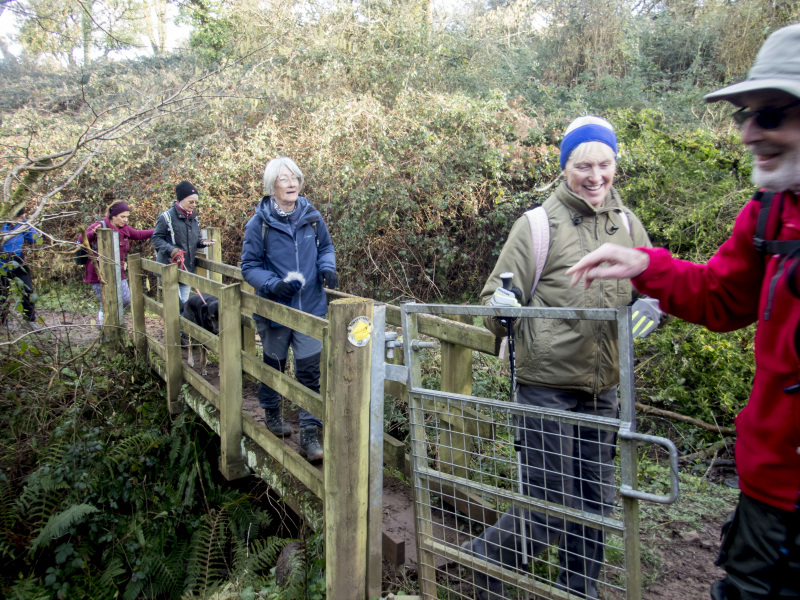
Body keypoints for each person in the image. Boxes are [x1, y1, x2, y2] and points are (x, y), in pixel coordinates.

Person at [567, 23, 800, 600]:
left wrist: (645, 287)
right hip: (770, 491)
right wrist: (644, 266)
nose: (749, 132)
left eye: (770, 114)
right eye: (743, 114)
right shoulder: (771, 213)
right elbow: (721, 296)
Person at [463, 116, 662, 599]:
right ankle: (486, 567)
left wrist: (654, 306)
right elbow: (491, 301)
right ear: (564, 167)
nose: (595, 176)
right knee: (551, 500)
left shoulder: (629, 225)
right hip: (545, 385)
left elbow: (656, 288)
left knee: (595, 501)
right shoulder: (536, 225)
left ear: (615, 164)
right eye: (583, 165)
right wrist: (500, 309)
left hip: (602, 389)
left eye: (604, 163)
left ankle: (579, 591)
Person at [241, 157, 337, 464]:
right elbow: (249, 265)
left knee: (309, 372)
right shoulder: (259, 224)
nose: (292, 183)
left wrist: (327, 268)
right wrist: (271, 284)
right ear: (272, 186)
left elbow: (326, 248)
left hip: (310, 307)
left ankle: (310, 433)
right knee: (274, 366)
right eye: (284, 179)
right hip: (275, 310)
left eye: (295, 177)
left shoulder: (311, 216)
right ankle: (271, 412)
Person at [83, 201, 154, 327]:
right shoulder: (100, 225)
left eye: (127, 216)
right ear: (113, 215)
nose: (125, 220)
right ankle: (106, 329)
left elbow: (138, 234)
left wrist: (158, 230)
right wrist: (93, 232)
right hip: (98, 272)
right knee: (106, 303)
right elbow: (80, 238)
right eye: (122, 216)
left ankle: (112, 325)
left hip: (117, 270)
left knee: (125, 299)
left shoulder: (124, 229)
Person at [152, 181, 217, 311]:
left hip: (187, 267)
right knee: (176, 304)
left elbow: (195, 239)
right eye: (191, 202)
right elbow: (156, 239)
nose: (194, 205)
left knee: (185, 304)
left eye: (195, 202)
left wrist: (202, 242)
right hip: (169, 268)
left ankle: (183, 331)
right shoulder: (166, 217)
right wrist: (171, 250)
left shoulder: (194, 218)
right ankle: (177, 330)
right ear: (181, 200)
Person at [1, 208, 41, 329]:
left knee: (27, 289)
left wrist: (27, 224)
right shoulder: (2, 225)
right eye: (18, 217)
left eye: (21, 217)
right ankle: (3, 323)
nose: (18, 219)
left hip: (18, 258)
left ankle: (29, 321)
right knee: (2, 292)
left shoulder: (22, 225)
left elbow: (35, 238)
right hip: (1, 261)